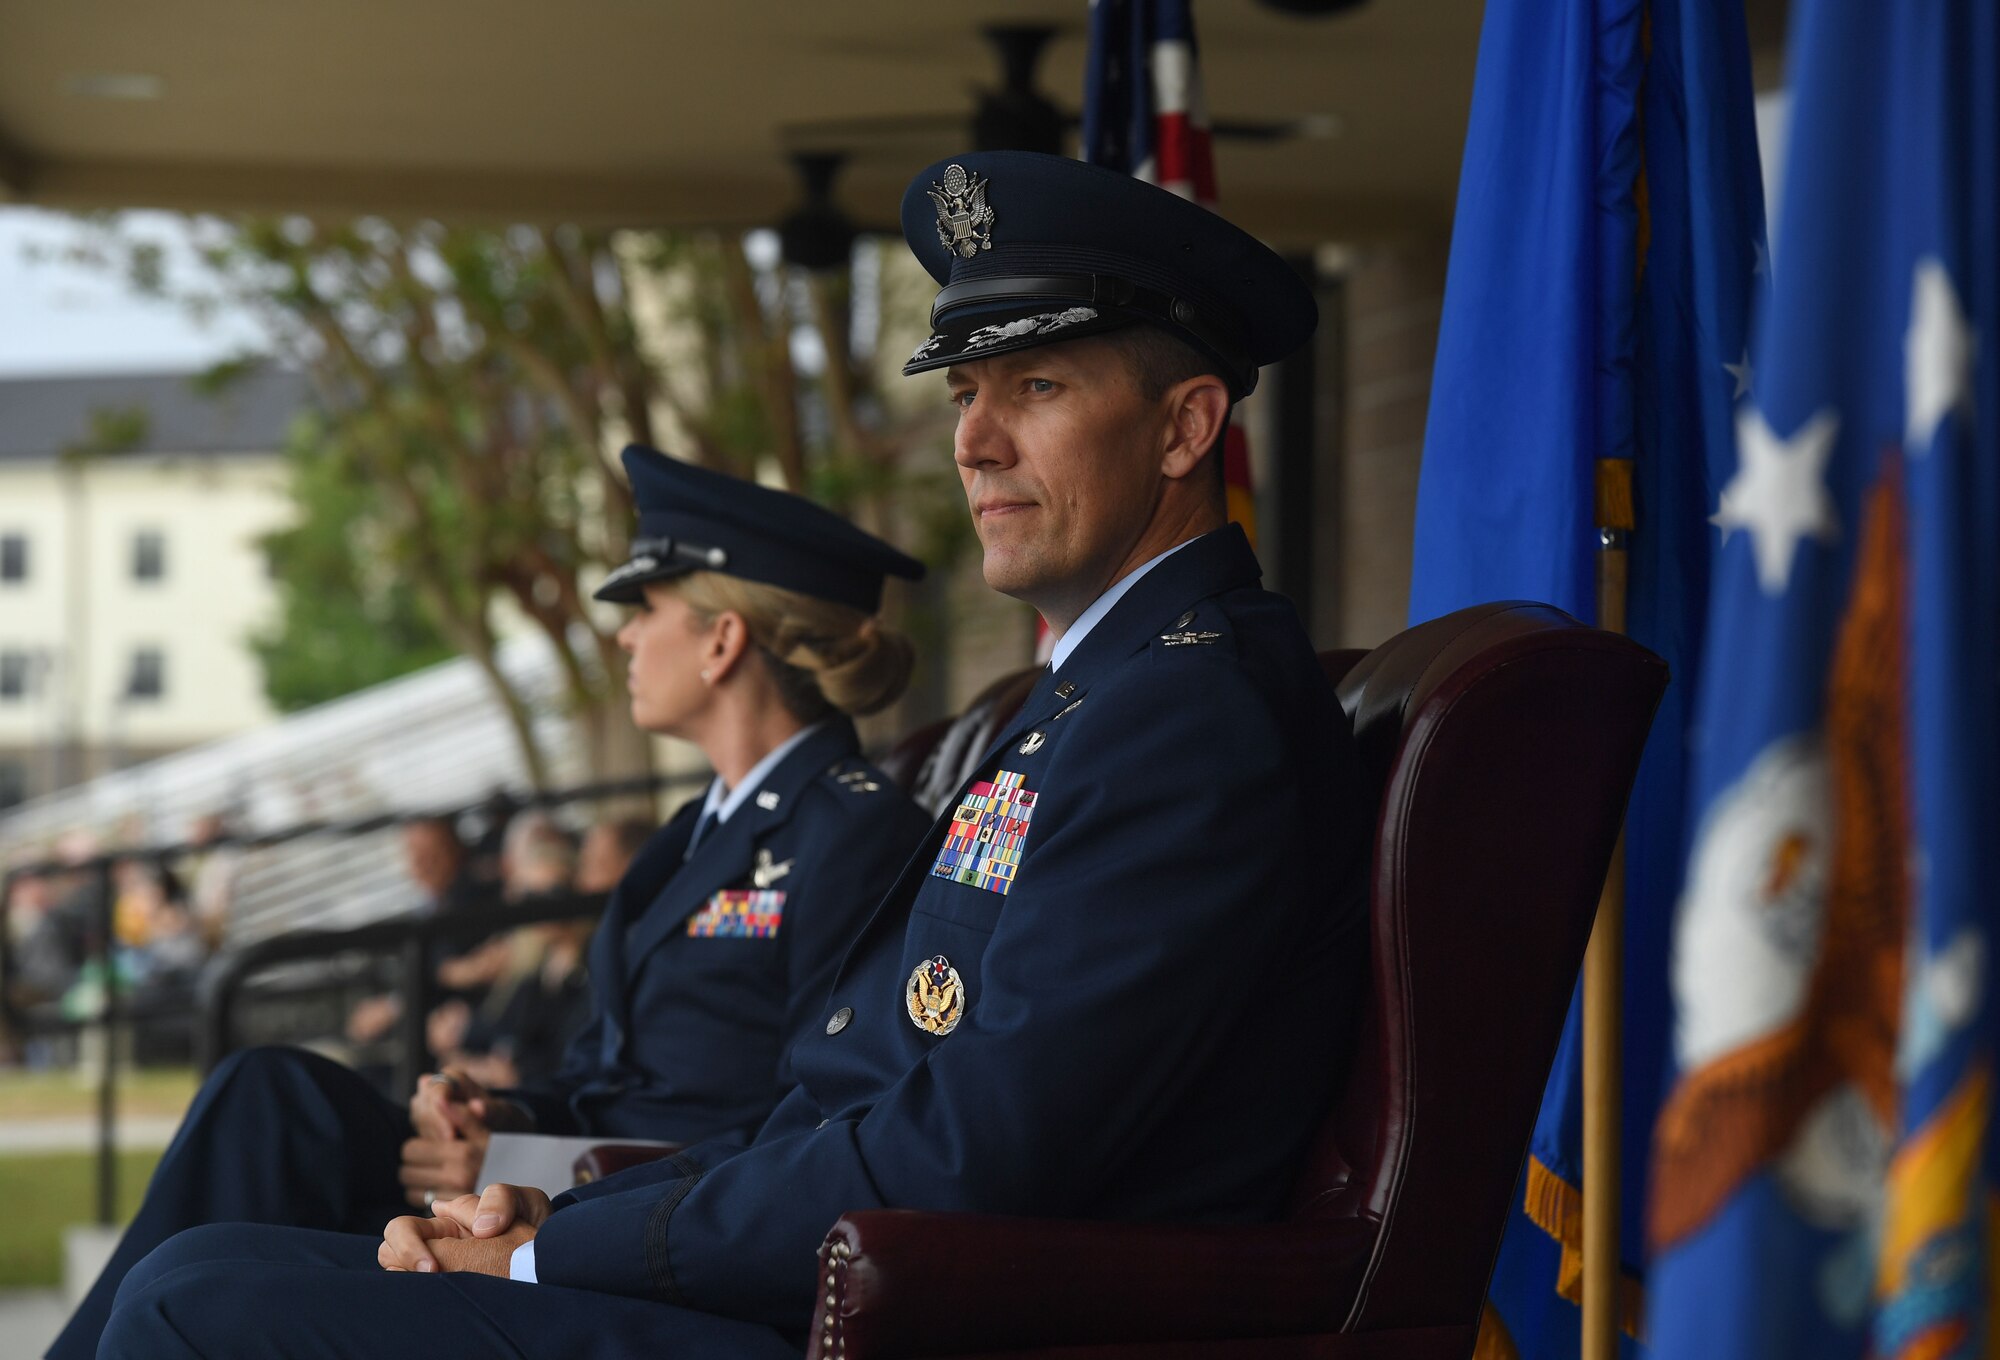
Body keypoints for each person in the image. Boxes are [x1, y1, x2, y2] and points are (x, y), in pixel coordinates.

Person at [91, 150, 1369, 1360]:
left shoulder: (1183, 715)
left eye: (1037, 387)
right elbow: (845, 1099)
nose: (974, 442)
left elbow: (973, 1151)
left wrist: (555, 1254)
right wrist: (553, 1225)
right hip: (836, 1276)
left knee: (195, 1307)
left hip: (926, 1314)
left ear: (1184, 426)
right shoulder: (1105, 695)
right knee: (202, 1271)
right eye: (968, 392)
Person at [52, 447, 933, 1360]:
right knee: (270, 1097)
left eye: (647, 612)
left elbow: (813, 1118)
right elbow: (605, 1068)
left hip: (635, 1220)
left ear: (722, 641)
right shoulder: (686, 836)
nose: (624, 637)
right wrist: (498, 1119)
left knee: (187, 1290)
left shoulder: (852, 837)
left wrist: (531, 1170)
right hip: (546, 1182)